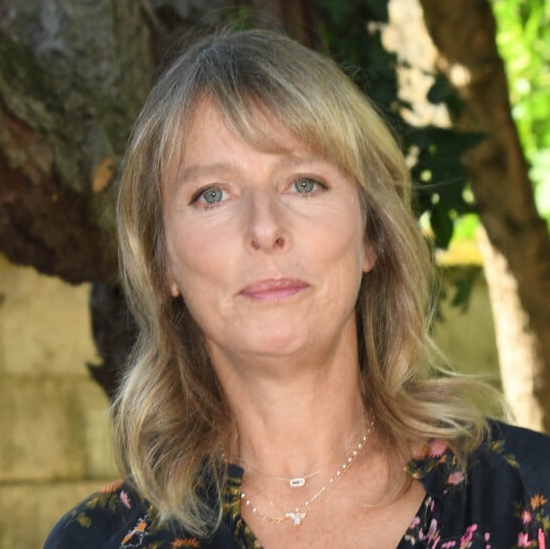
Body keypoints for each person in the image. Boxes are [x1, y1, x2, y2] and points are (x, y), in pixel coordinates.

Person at [45, 28, 550, 548]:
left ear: (371, 236)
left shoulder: (531, 495)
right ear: (162, 263)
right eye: (213, 194)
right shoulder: (99, 540)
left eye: (304, 183)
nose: (265, 228)